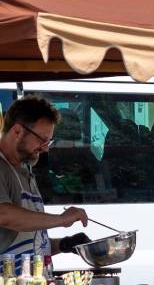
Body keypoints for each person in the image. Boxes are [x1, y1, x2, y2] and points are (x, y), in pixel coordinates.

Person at [0, 95, 89, 271]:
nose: (46, 147)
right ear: (17, 131)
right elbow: (5, 215)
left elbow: (33, 243)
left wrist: (65, 244)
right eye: (42, 140)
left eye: (49, 141)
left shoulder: (26, 173)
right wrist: (61, 219)